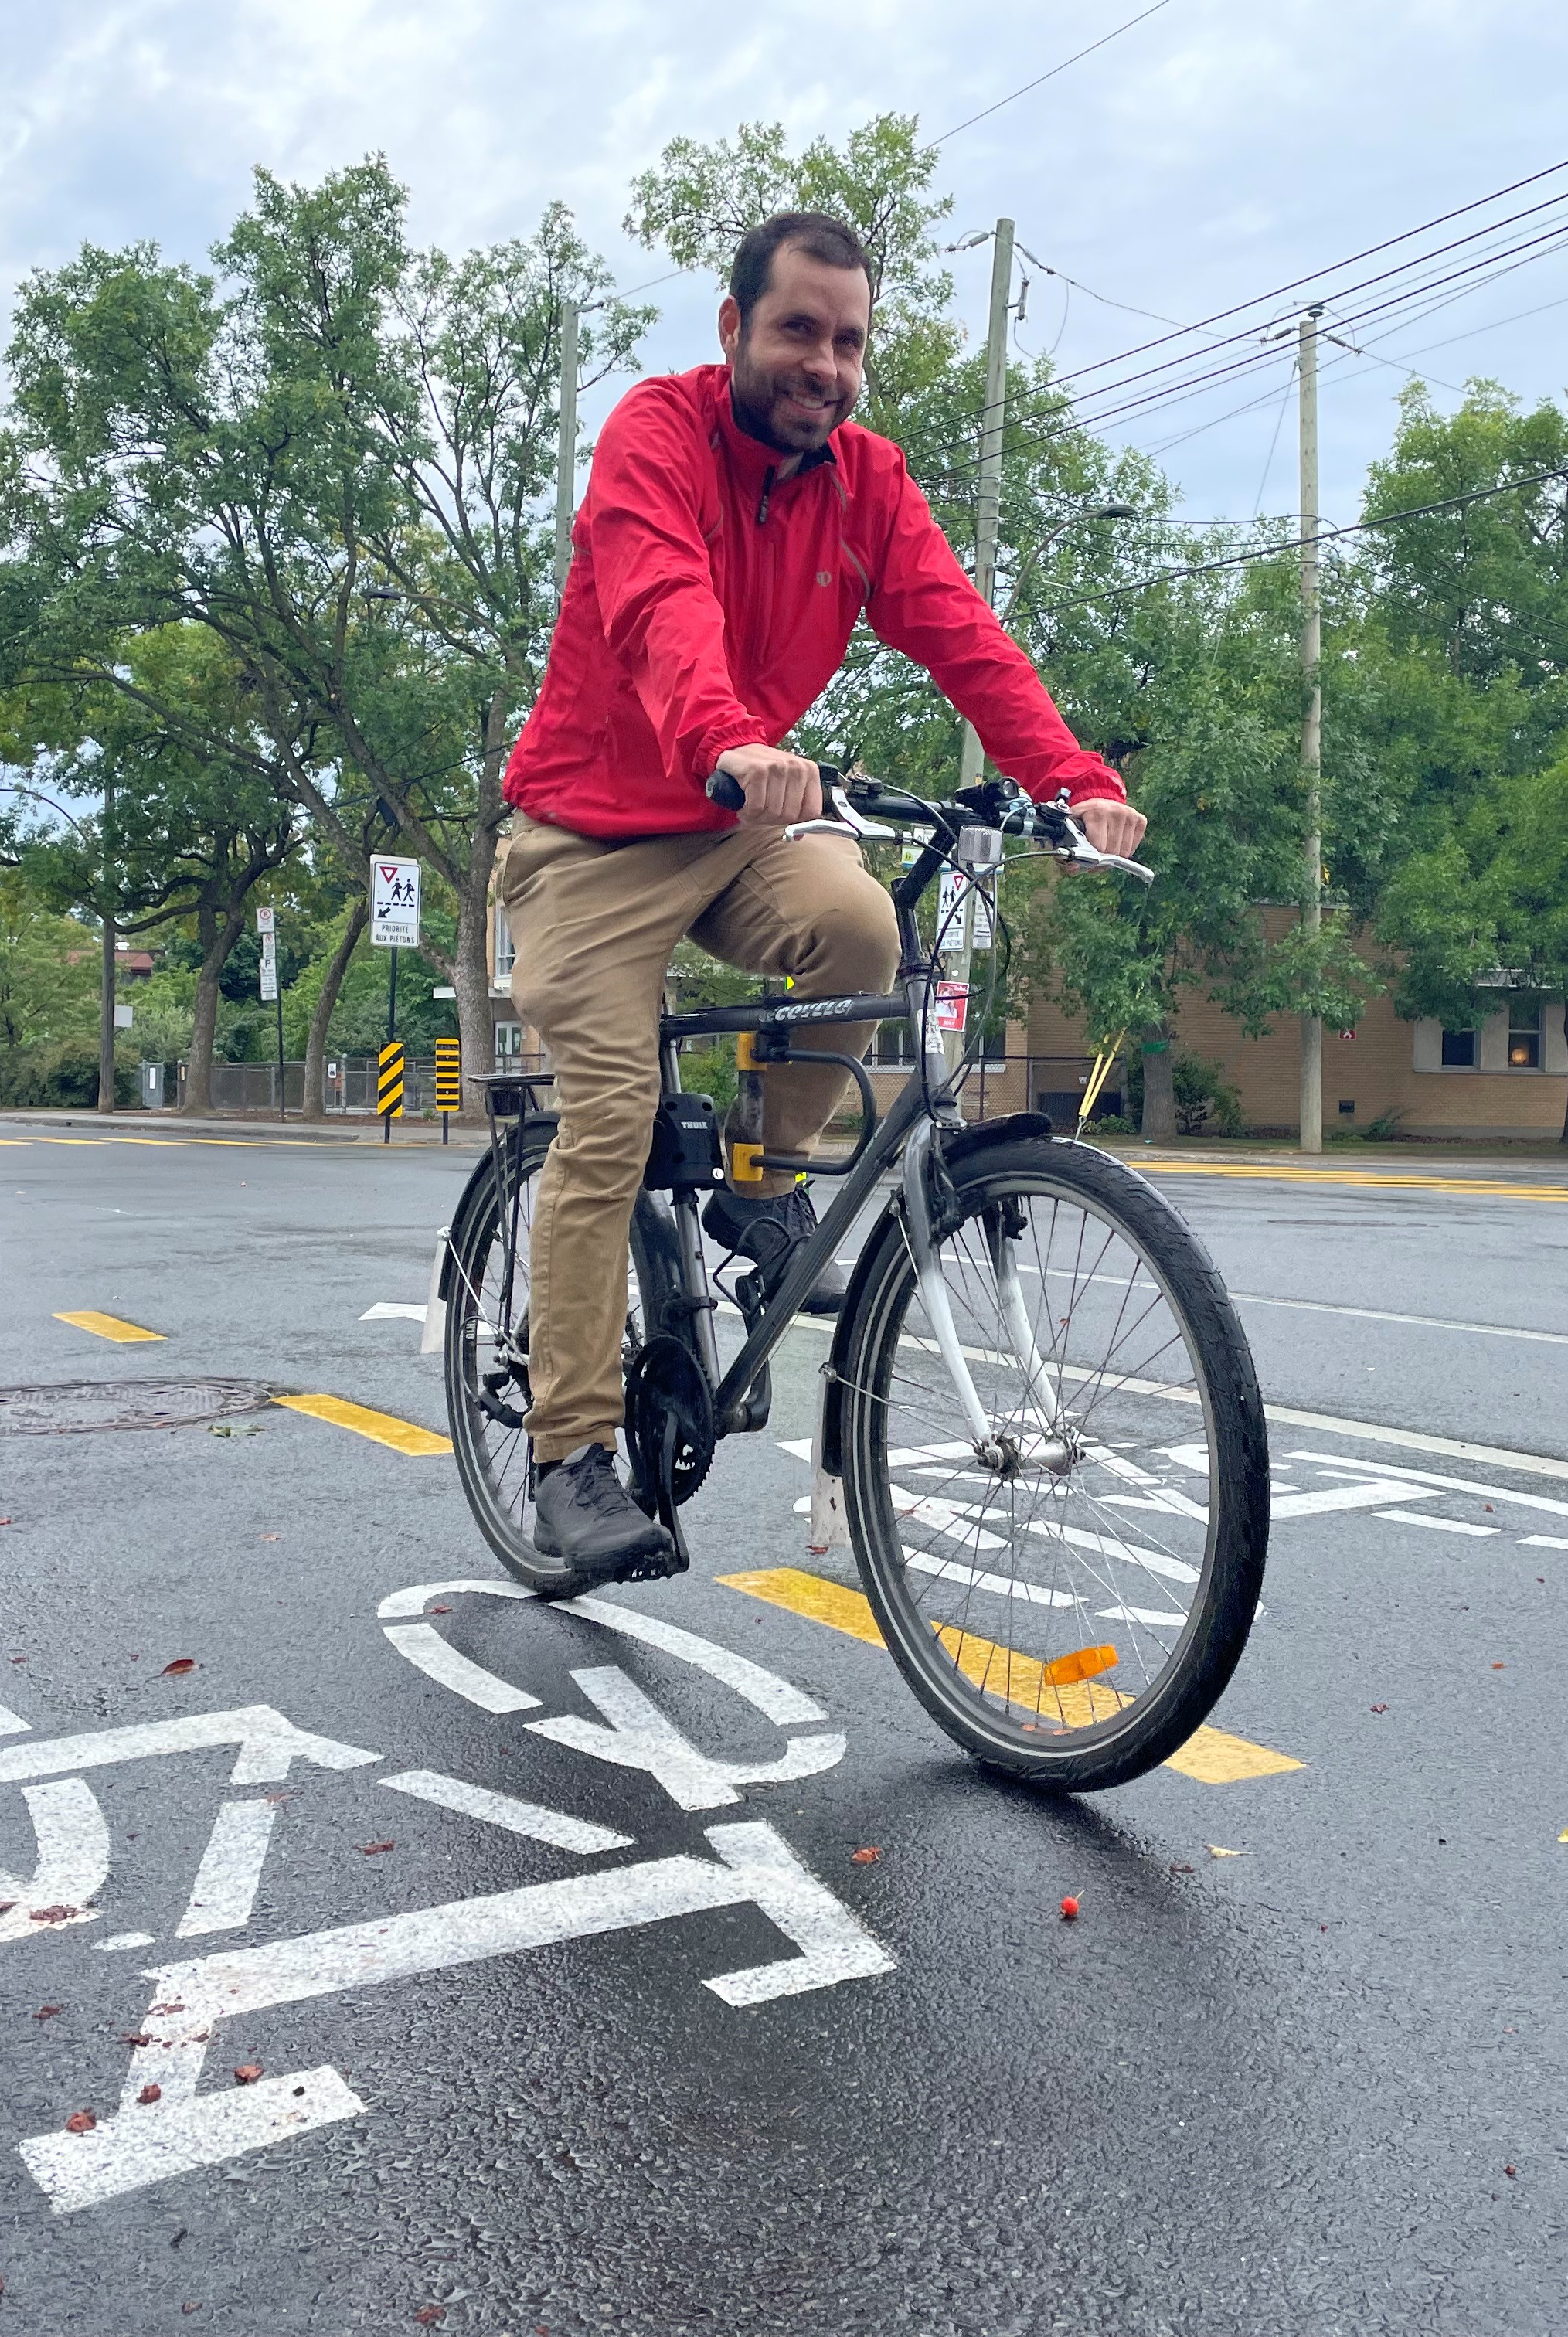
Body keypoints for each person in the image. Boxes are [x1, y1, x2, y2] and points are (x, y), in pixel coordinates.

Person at [496, 208, 1148, 1579]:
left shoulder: (869, 482)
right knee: (609, 1125)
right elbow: (661, 606)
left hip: (737, 822)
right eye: (799, 330)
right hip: (590, 835)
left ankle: (760, 1174)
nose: (825, 364)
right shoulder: (656, 436)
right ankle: (569, 1454)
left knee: (863, 928)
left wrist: (1072, 778)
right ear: (734, 327)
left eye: (849, 342)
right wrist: (729, 739)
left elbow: (966, 638)